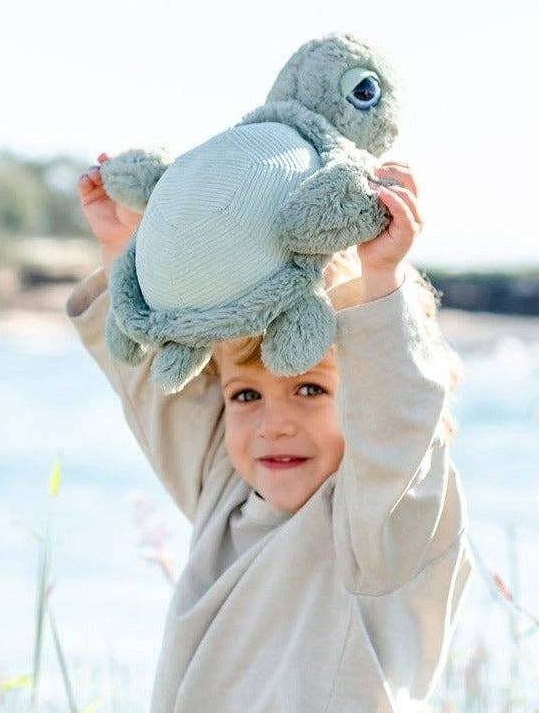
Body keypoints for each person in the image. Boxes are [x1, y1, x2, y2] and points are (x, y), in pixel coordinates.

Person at [68, 152, 473, 713]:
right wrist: (124, 253)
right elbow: (159, 396)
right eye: (246, 395)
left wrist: (381, 279)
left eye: (311, 390)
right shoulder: (225, 494)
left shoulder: (386, 525)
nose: (273, 424)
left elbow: (399, 426)